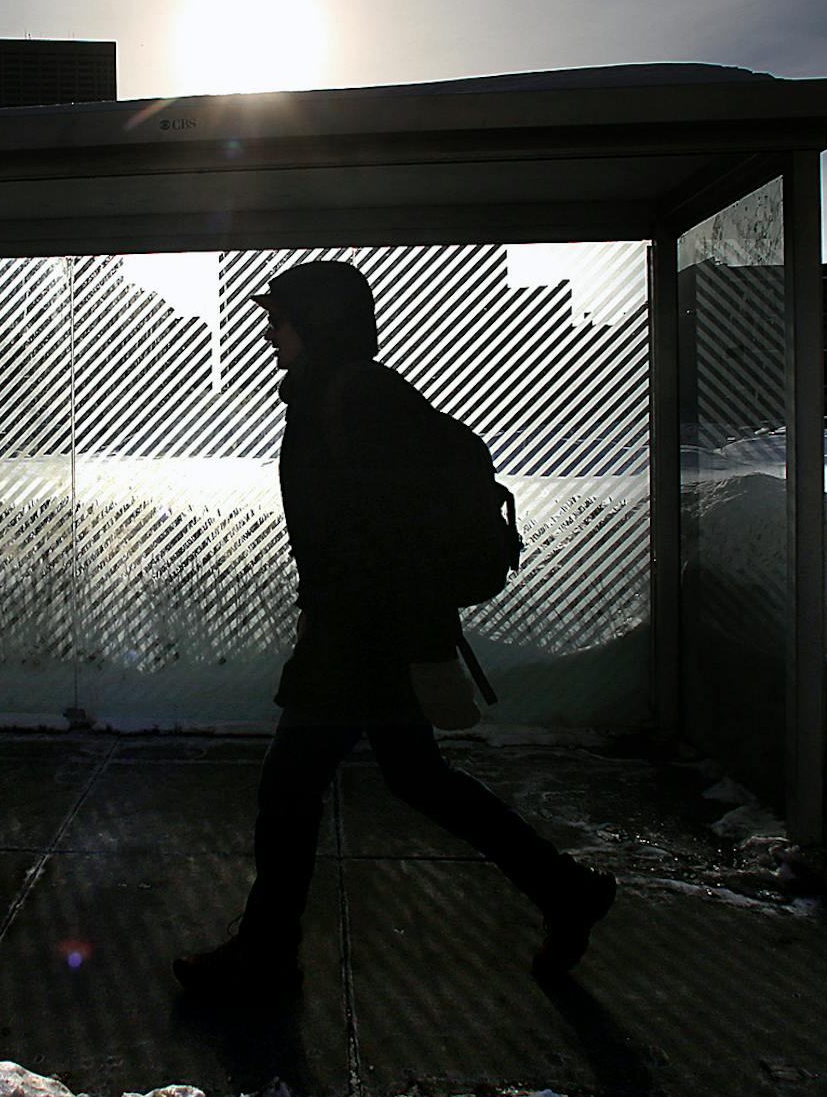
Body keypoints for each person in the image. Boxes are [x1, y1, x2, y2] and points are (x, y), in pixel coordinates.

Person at [173, 259, 616, 996]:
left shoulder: (357, 398)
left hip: (363, 634)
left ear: (318, 322)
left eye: (279, 318)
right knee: (418, 778)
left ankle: (267, 953)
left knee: (289, 786)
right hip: (363, 626)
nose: (269, 331)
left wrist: (391, 633)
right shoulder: (337, 393)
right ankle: (565, 889)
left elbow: (390, 530)